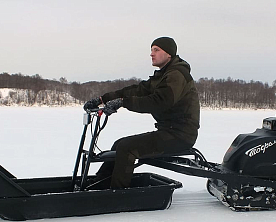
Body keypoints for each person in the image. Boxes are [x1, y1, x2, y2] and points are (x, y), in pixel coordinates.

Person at [83, 36, 200, 189]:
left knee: (127, 147)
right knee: (119, 144)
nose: (152, 54)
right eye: (151, 50)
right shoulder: (162, 76)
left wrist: (124, 103)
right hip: (169, 132)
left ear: (169, 54)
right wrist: (102, 99)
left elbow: (160, 102)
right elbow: (136, 90)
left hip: (181, 135)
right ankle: (99, 184)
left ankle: (118, 194)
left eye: (156, 50)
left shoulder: (177, 75)